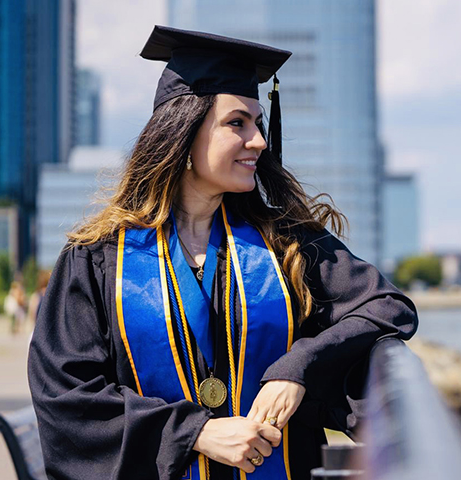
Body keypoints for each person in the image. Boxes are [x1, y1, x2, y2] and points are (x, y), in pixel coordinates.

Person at [27, 25, 418, 480]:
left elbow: (387, 307)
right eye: (238, 123)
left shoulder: (285, 244)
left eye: (258, 122)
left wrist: (299, 365)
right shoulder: (97, 260)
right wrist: (194, 434)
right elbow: (66, 394)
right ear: (183, 134)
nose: (259, 141)